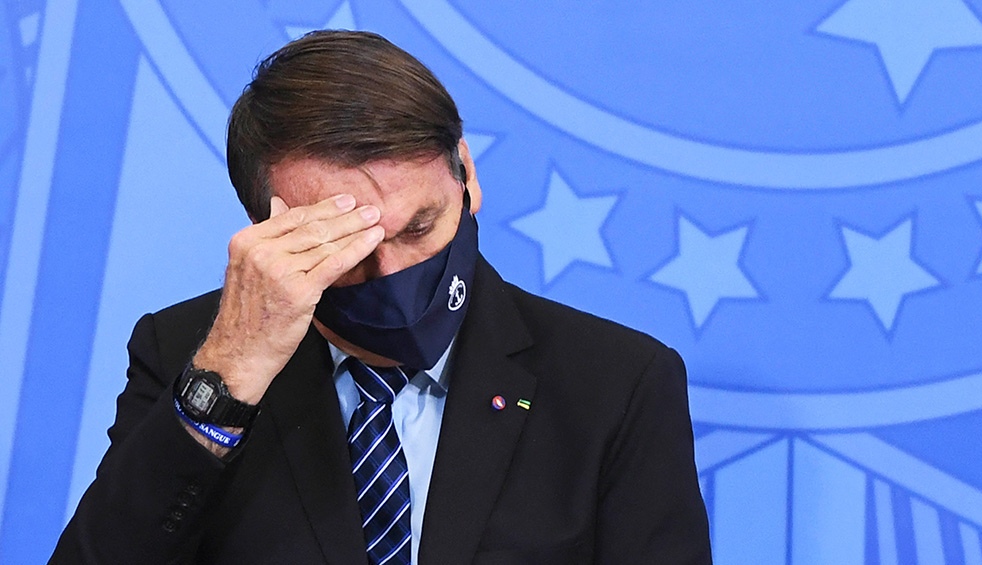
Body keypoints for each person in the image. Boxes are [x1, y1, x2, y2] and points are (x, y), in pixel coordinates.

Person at [51, 30, 711, 564]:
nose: (394, 272)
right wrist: (231, 373)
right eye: (347, 247)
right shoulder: (188, 352)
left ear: (466, 176)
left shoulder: (617, 382)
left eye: (419, 228)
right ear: (267, 232)